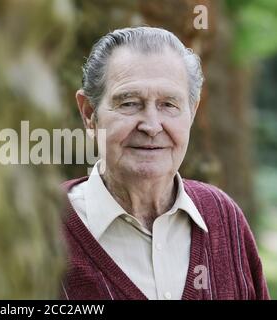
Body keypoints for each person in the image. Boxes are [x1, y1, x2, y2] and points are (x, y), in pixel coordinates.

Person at [60, 27, 270, 300]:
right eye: (130, 103)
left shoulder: (224, 217)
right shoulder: (43, 227)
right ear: (89, 114)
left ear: (192, 113)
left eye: (169, 105)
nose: (151, 125)